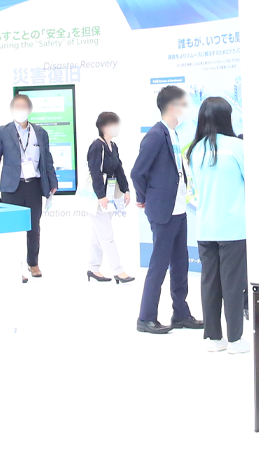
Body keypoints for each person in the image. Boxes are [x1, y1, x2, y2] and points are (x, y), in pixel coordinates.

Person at [130, 85, 201, 335]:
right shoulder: (156, 135)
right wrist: (143, 197)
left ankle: (180, 313)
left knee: (180, 264)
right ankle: (146, 317)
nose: (186, 108)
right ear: (172, 106)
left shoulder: (173, 133)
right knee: (158, 266)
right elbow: (137, 172)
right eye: (183, 103)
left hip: (178, 208)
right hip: (163, 210)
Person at [184, 96, 247, 353]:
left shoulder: (194, 150)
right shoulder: (237, 147)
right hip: (234, 228)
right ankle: (235, 340)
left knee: (209, 284)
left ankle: (214, 339)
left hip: (205, 227)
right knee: (233, 284)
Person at [0, 94, 57, 280]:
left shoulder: (40, 132)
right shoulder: (3, 132)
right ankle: (16, 267)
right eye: (17, 106)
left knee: (34, 227)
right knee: (13, 228)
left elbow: (47, 159)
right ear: (12, 109)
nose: (21, 109)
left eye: (24, 106)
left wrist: (53, 183)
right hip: (12, 187)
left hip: (34, 186)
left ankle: (33, 263)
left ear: (30, 109)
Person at [85, 111, 135, 285]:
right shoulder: (96, 146)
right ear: (102, 127)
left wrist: (126, 189)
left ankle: (93, 268)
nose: (116, 127)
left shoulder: (113, 146)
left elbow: (119, 169)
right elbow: (95, 172)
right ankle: (118, 271)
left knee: (98, 234)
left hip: (110, 196)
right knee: (107, 236)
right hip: (97, 198)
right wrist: (101, 196)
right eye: (113, 124)